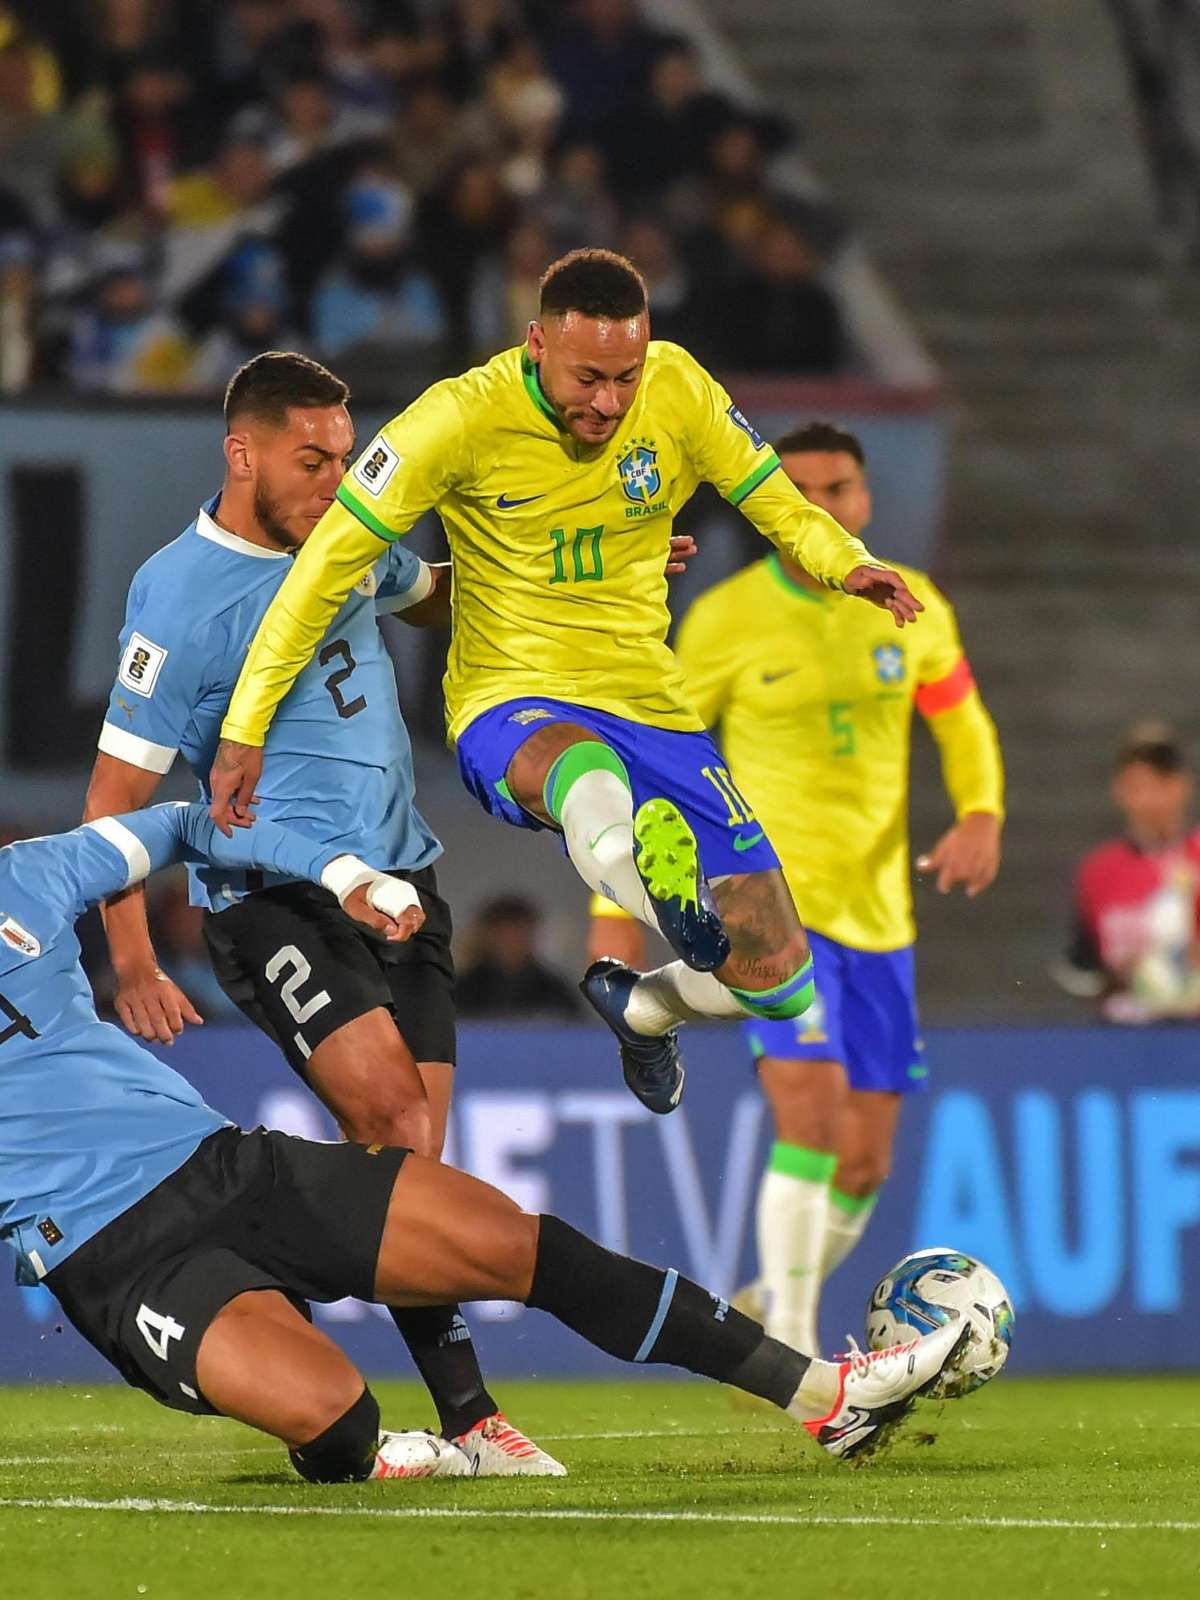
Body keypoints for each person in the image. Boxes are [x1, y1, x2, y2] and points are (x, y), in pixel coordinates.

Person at [0, 806, 973, 1477]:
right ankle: (358, 1452)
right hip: (112, 1259)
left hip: (223, 1165)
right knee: (339, 1418)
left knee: (511, 1243)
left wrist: (338, 873)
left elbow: (178, 822)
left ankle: (821, 1395)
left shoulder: (30, 875)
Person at [207, 249, 923, 1131]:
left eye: (628, 375)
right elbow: (319, 575)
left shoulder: (680, 389)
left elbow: (777, 503)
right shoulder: (454, 421)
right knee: (586, 778)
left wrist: (848, 564)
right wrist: (246, 724)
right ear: (538, 342)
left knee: (778, 983)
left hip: (649, 698)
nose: (611, 402)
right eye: (590, 377)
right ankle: (662, 893)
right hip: (511, 697)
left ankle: (646, 1008)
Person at [83, 349, 559, 1477]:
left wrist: (574, 569)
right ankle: (471, 1414)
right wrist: (136, 959)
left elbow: (431, 592)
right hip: (276, 897)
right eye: (315, 458)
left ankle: (239, 1265)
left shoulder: (344, 541)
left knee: (412, 1159)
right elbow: (115, 800)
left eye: (348, 455)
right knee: (396, 1125)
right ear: (241, 452)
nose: (339, 478)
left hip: (407, 883)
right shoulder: (179, 596)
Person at [590, 421, 1002, 1359]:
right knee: (810, 1120)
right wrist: (611, 910)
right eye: (802, 491)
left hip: (882, 922)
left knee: (865, 1161)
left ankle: (777, 1291)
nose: (824, 506)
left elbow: (961, 717)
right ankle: (800, 1354)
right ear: (773, 509)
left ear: (864, 499)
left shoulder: (911, 602)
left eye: (841, 488)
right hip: (776, 916)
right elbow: (653, 768)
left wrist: (980, 812)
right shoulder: (728, 619)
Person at [1054, 723, 1200, 1023]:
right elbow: (1082, 969)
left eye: (1161, 783)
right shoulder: (1098, 872)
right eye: (1137, 786)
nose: (1150, 800)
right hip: (1128, 1037)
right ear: (1119, 791)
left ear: (1182, 786)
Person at [456, 893, 581, 1019]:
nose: (511, 943)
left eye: (518, 934)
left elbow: (574, 1030)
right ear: (486, 937)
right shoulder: (462, 990)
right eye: (502, 935)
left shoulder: (555, 991)